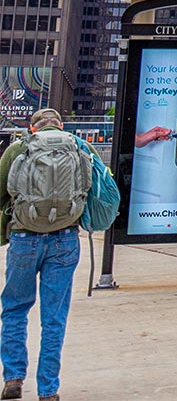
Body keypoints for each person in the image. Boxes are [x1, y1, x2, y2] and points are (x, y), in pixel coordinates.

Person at [0, 108, 101, 401]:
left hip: (24, 237)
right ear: (61, 126)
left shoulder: (19, 148)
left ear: (33, 129)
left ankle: (13, 379)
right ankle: (48, 390)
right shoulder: (81, 147)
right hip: (65, 239)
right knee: (54, 317)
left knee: (15, 309)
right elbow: (97, 191)